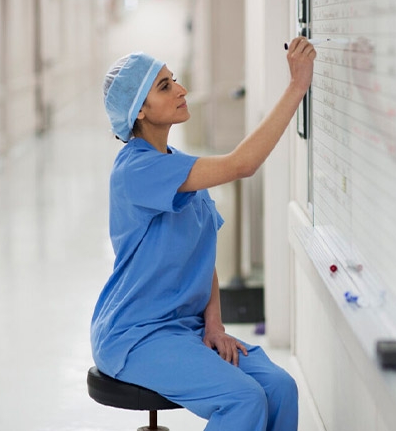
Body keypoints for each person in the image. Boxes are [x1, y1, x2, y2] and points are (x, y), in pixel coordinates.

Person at [90, 37, 316, 431]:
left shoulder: (181, 167)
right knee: (242, 400)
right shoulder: (136, 171)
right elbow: (243, 164)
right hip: (138, 334)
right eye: (165, 86)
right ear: (138, 110)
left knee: (280, 388)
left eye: (173, 80)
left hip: (188, 328)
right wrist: (297, 86)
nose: (181, 89)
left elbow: (202, 255)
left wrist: (214, 326)